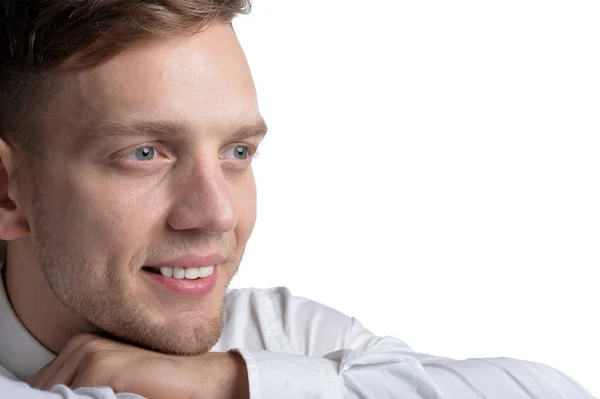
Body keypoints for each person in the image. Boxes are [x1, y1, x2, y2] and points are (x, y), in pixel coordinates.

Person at [0, 1, 595, 398]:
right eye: (145, 154)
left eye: (237, 153)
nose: (218, 213)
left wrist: (227, 385)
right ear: (7, 192)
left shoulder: (269, 336)